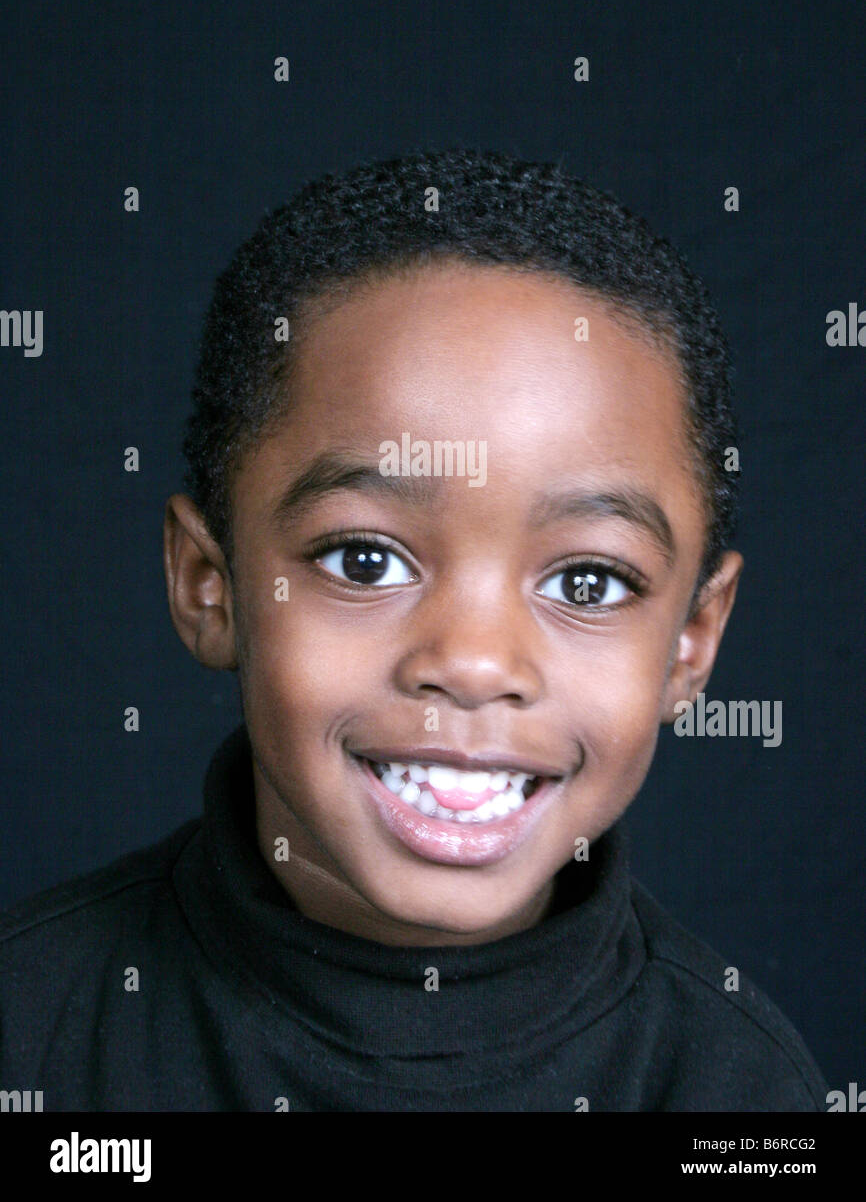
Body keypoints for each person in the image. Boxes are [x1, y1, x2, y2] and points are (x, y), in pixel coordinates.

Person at [0, 150, 827, 1110]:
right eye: (365, 562)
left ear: (692, 640)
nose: (474, 664)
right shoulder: (35, 1039)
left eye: (589, 581)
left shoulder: (738, 1093)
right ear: (208, 585)